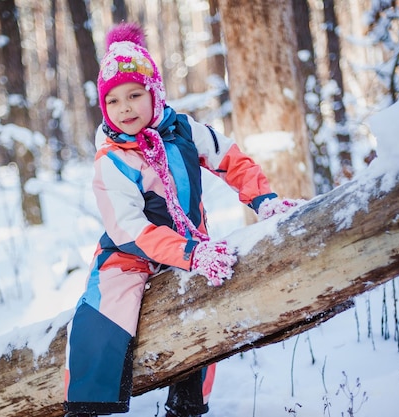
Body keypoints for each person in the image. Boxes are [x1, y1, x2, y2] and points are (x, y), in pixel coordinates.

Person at [63, 22, 298, 417]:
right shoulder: (113, 161)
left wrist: (264, 199)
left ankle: (188, 403)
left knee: (205, 305)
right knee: (104, 310)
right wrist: (187, 253)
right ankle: (87, 405)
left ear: (154, 93)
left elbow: (231, 159)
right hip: (131, 251)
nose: (126, 109)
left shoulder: (184, 130)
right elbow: (130, 229)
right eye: (115, 101)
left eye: (135, 95)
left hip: (192, 245)